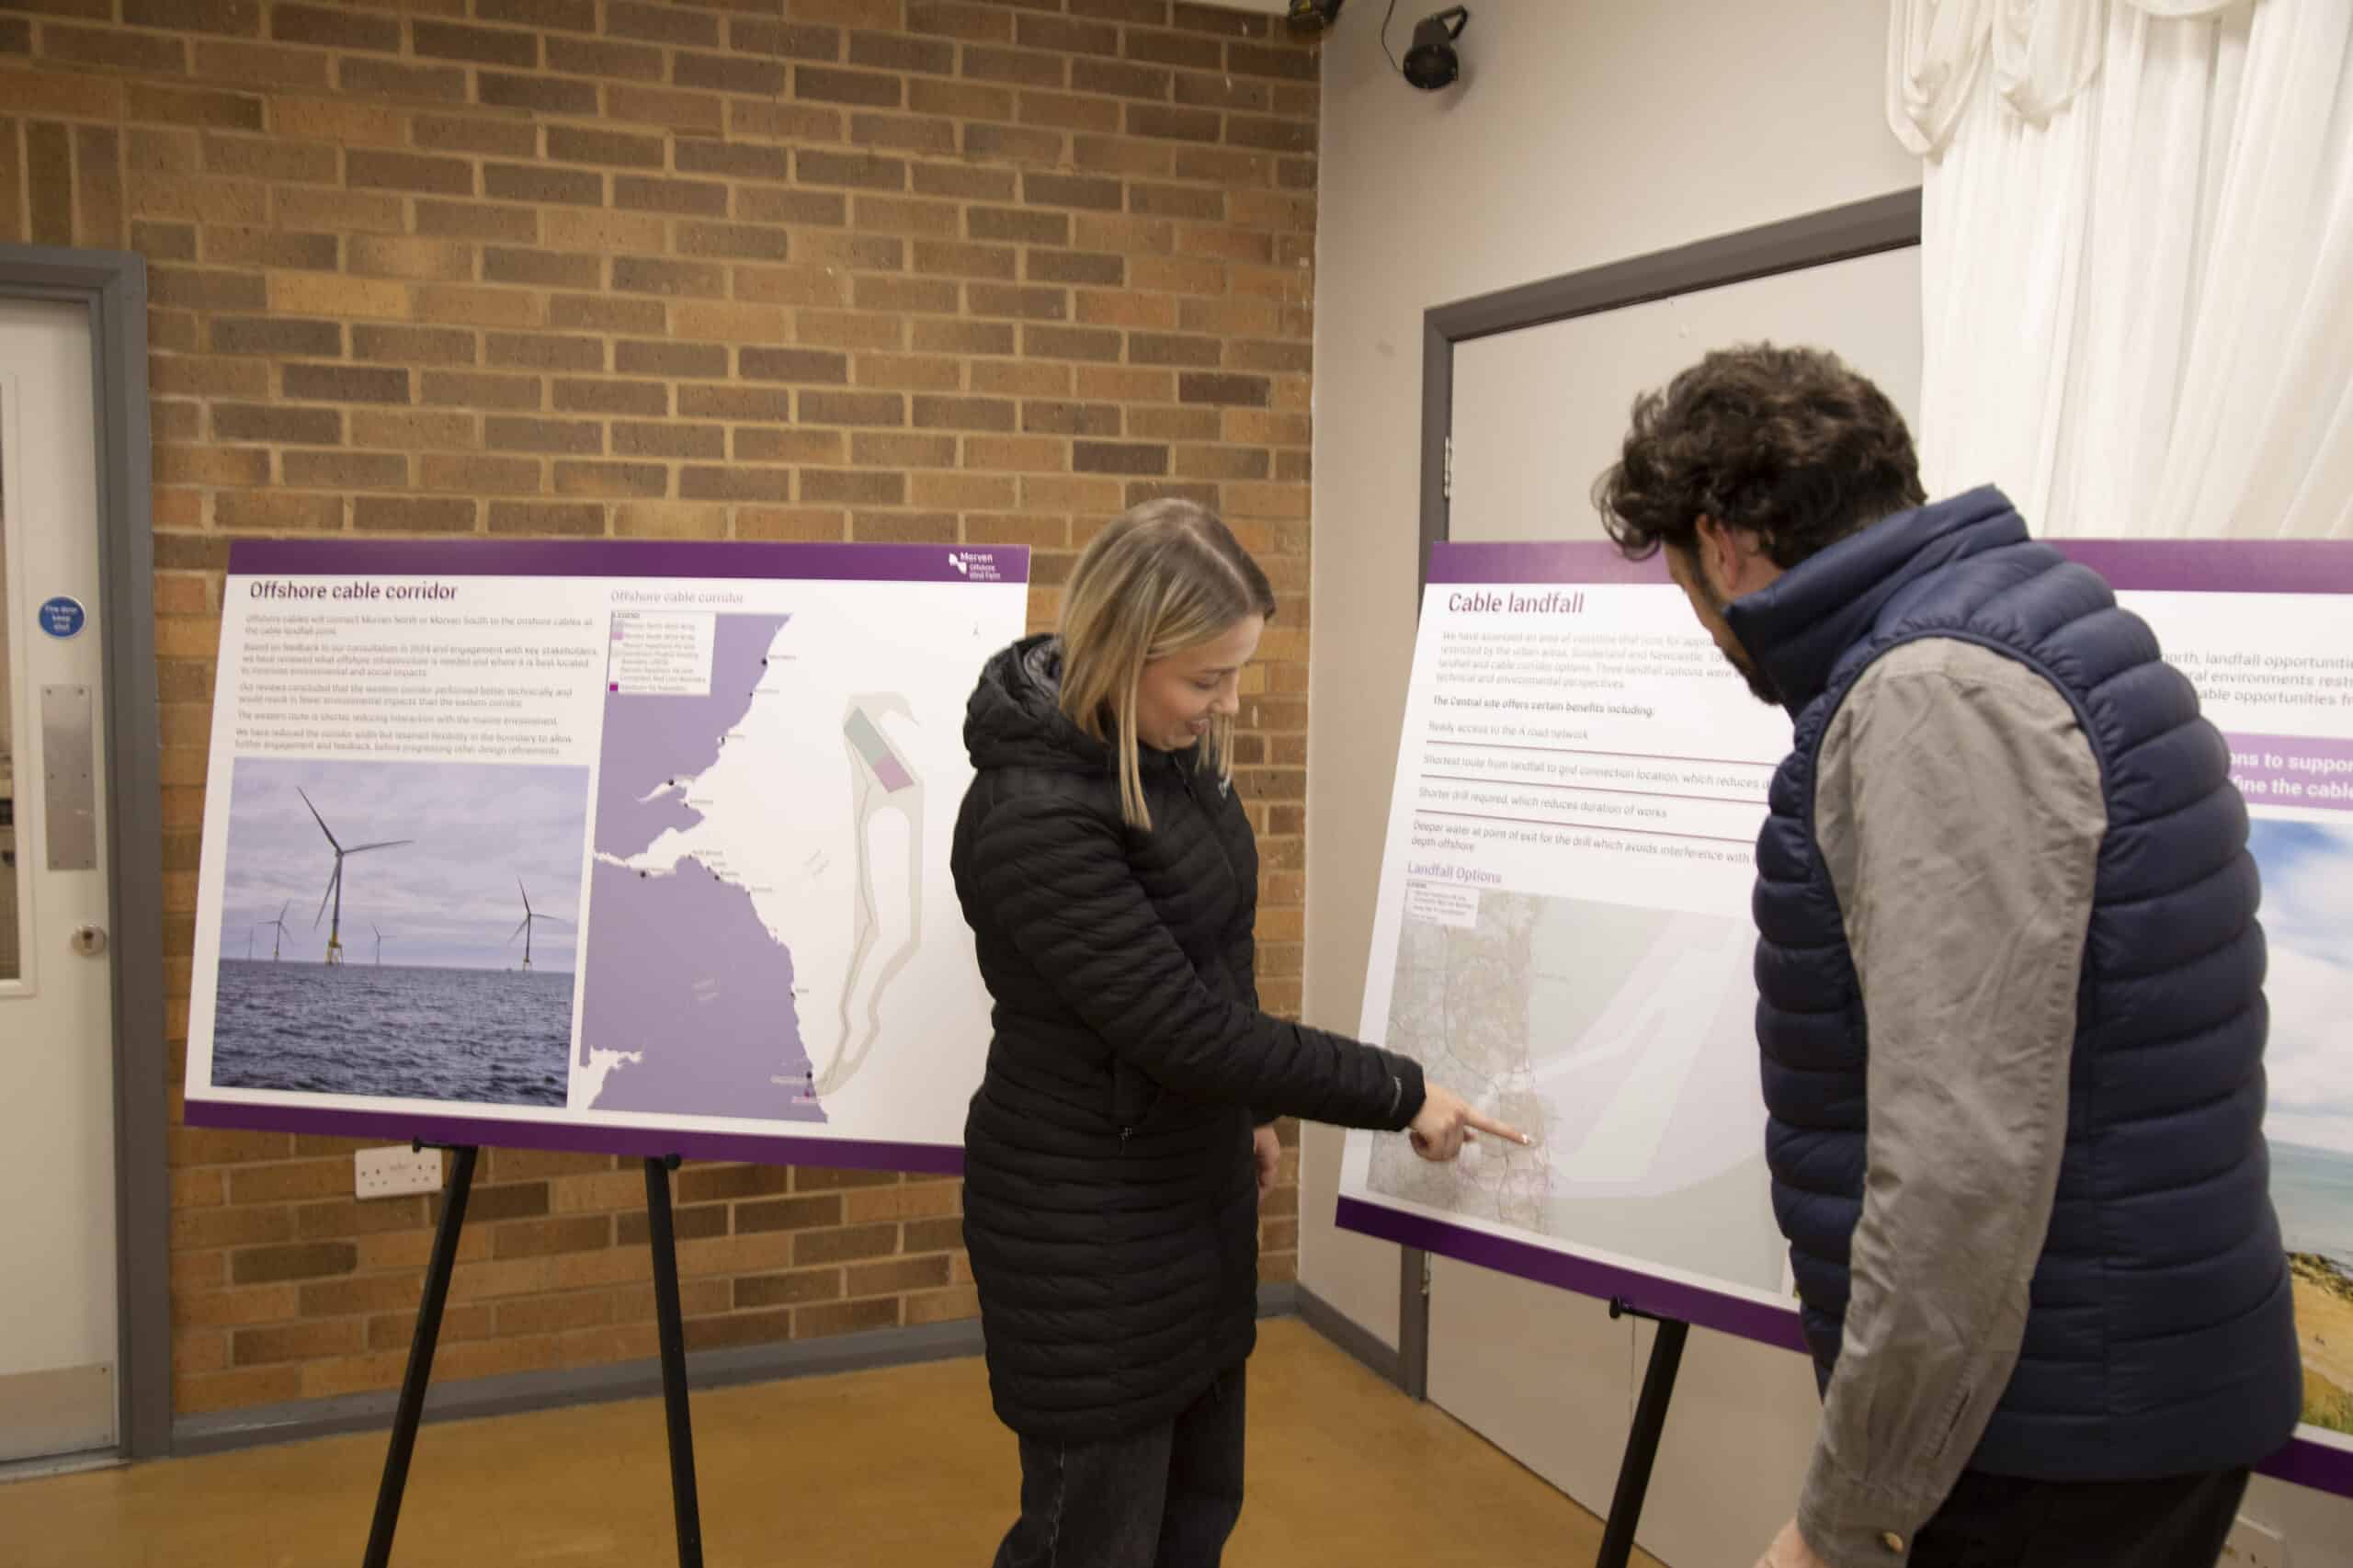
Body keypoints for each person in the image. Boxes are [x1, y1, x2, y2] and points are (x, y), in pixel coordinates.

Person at [1592, 345, 2302, 1568]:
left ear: (1726, 544)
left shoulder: (1935, 696)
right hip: (2107, 1387)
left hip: (2059, 1437)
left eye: (1685, 584)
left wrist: (1853, 1505)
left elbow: (1962, 1167)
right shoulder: (2026, 618)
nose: (1707, 627)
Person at [950, 499, 1528, 1568]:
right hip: (1084, 1222)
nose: (1222, 706)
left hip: (1184, 1195)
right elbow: (1184, 1028)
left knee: (1196, 1514)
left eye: (1234, 676)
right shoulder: (1034, 813)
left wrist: (1252, 1111)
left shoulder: (1166, 755)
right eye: (1204, 679)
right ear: (1125, 650)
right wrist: (1401, 1091)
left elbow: (1218, 937)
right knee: (1094, 1537)